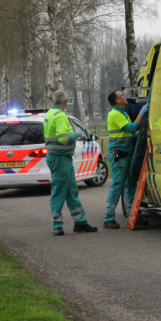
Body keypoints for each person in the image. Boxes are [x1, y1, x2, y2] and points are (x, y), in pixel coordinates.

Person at [45, 90, 97, 236]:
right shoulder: (60, 115)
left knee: (71, 191)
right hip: (60, 158)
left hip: (60, 158)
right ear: (66, 102)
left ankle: (80, 222)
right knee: (60, 191)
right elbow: (64, 138)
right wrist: (77, 134)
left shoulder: (50, 113)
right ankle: (57, 225)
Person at [104, 90, 148, 229]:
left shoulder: (122, 113)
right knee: (118, 183)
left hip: (126, 152)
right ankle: (108, 217)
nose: (125, 96)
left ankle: (132, 216)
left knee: (131, 182)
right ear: (117, 100)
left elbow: (131, 135)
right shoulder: (116, 114)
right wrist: (142, 113)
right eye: (122, 95)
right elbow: (131, 128)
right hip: (118, 154)